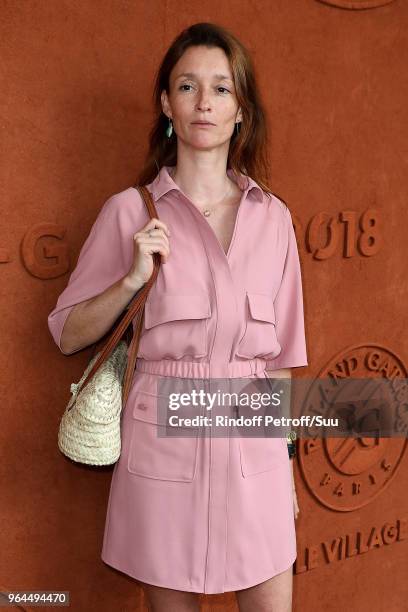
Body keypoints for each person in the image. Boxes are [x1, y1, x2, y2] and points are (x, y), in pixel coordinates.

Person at [48, 22, 308, 612]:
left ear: (241, 107)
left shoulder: (274, 220)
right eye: (187, 86)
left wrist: (286, 469)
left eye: (221, 88)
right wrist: (133, 279)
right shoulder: (128, 212)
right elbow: (66, 332)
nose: (204, 103)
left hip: (255, 453)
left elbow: (284, 360)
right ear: (167, 103)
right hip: (163, 448)